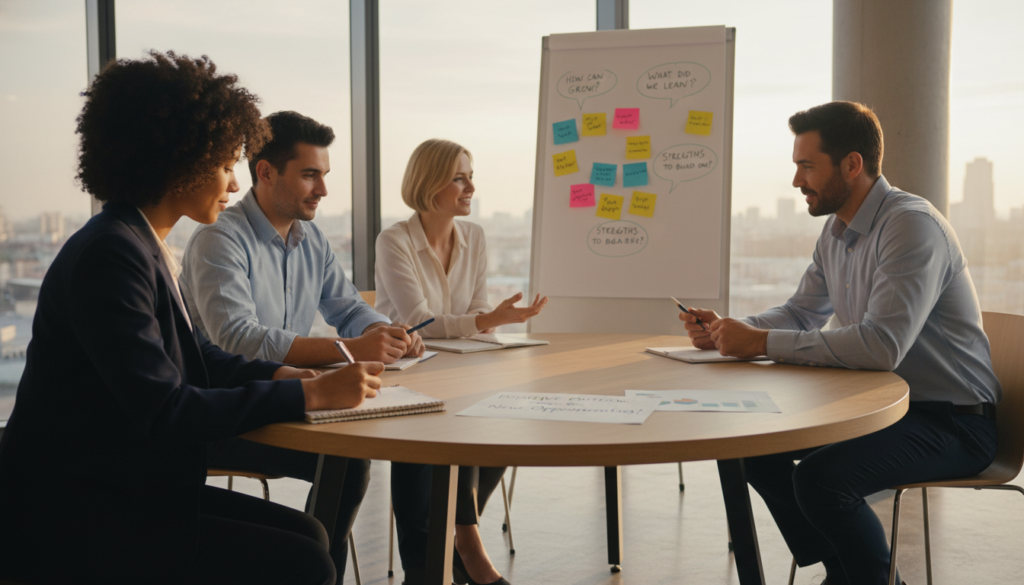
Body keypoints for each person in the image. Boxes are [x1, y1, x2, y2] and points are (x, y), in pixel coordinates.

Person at [0, 51, 384, 585]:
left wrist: (279, 375)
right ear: (179, 160)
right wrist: (309, 394)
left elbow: (194, 356)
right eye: (228, 165)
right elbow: (166, 410)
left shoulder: (138, 242)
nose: (233, 183)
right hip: (78, 509)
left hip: (121, 485)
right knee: (305, 560)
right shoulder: (111, 257)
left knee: (312, 537)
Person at [680, 101, 1000, 585]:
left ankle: (868, 578)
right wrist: (729, 331)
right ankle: (845, 570)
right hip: (880, 409)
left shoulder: (910, 226)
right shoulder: (837, 232)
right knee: (750, 447)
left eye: (807, 166)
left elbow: (880, 347)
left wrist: (761, 341)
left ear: (852, 164)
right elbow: (801, 312)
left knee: (820, 479)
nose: (796, 181)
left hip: (951, 421)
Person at [180, 110, 424, 583]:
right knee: (347, 460)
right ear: (265, 172)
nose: (323, 190)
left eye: (325, 175)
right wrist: (352, 348)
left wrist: (387, 333)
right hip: (229, 409)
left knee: (379, 447)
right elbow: (239, 340)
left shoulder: (311, 239)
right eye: (310, 174)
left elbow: (350, 307)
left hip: (291, 395)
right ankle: (319, 571)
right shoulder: (218, 239)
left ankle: (335, 572)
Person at [375, 138, 548, 585]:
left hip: (462, 371)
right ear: (429, 183)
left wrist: (489, 320)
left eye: (470, 175)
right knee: (451, 425)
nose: (471, 186)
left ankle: (459, 547)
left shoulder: (475, 236)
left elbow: (478, 315)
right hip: (408, 376)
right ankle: (464, 549)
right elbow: (420, 322)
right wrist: (485, 320)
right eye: (459, 177)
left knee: (497, 423)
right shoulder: (394, 240)